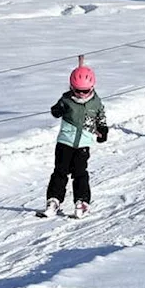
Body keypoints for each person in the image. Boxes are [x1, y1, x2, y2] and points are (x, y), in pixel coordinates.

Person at [44, 65, 108, 218]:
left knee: (80, 173)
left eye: (85, 91)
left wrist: (103, 129)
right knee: (60, 172)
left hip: (83, 144)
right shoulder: (66, 99)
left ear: (92, 87)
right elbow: (56, 109)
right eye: (77, 90)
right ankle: (54, 200)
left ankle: (82, 201)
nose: (81, 94)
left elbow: (101, 116)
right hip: (65, 142)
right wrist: (57, 110)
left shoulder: (96, 102)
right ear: (71, 87)